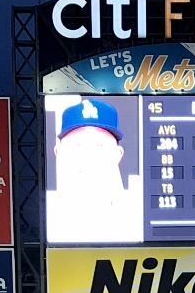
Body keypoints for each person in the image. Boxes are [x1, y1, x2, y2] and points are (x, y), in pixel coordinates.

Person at [44, 97, 141, 245]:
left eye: (99, 146)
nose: (88, 155)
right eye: (78, 146)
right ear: (58, 152)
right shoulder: (45, 215)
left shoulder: (137, 217)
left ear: (118, 154)